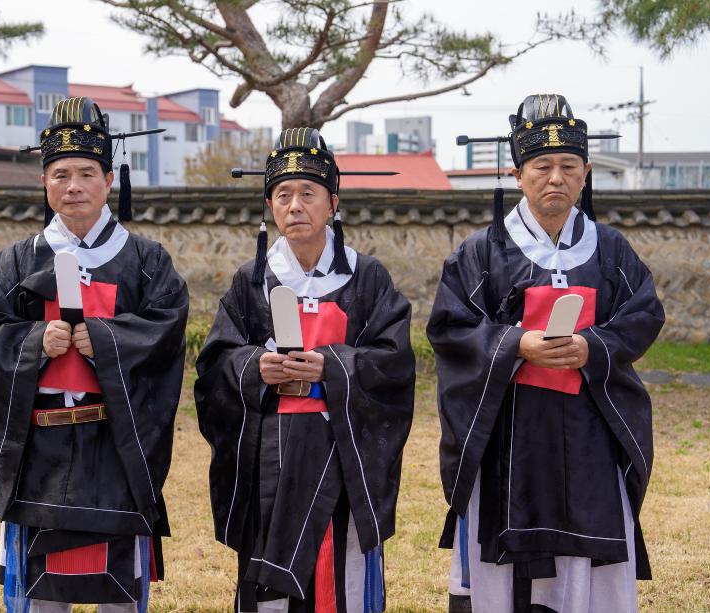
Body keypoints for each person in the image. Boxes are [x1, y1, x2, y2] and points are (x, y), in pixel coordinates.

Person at [427, 94, 665, 613]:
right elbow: (449, 328)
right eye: (542, 166)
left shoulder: (610, 248)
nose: (555, 178)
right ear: (518, 173)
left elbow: (644, 315)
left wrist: (591, 346)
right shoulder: (482, 251)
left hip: (590, 433)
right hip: (510, 434)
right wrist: (517, 344)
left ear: (585, 174)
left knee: (587, 558)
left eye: (568, 166)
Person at [0, 97, 188, 612]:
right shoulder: (16, 261)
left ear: (110, 180)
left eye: (87, 172)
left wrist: (106, 340)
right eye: (60, 173)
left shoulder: (145, 261)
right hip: (39, 446)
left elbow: (167, 331)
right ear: (44, 183)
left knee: (119, 594)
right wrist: (33, 342)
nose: (73, 186)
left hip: (113, 445)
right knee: (40, 595)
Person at [195, 128, 415, 612]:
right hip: (269, 452)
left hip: (341, 449)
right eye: (282, 195)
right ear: (269, 206)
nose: (295, 206)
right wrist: (256, 367)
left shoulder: (367, 277)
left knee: (340, 578)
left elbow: (395, 362)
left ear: (333, 202)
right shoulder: (251, 281)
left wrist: (332, 366)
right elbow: (214, 365)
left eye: (308, 194)